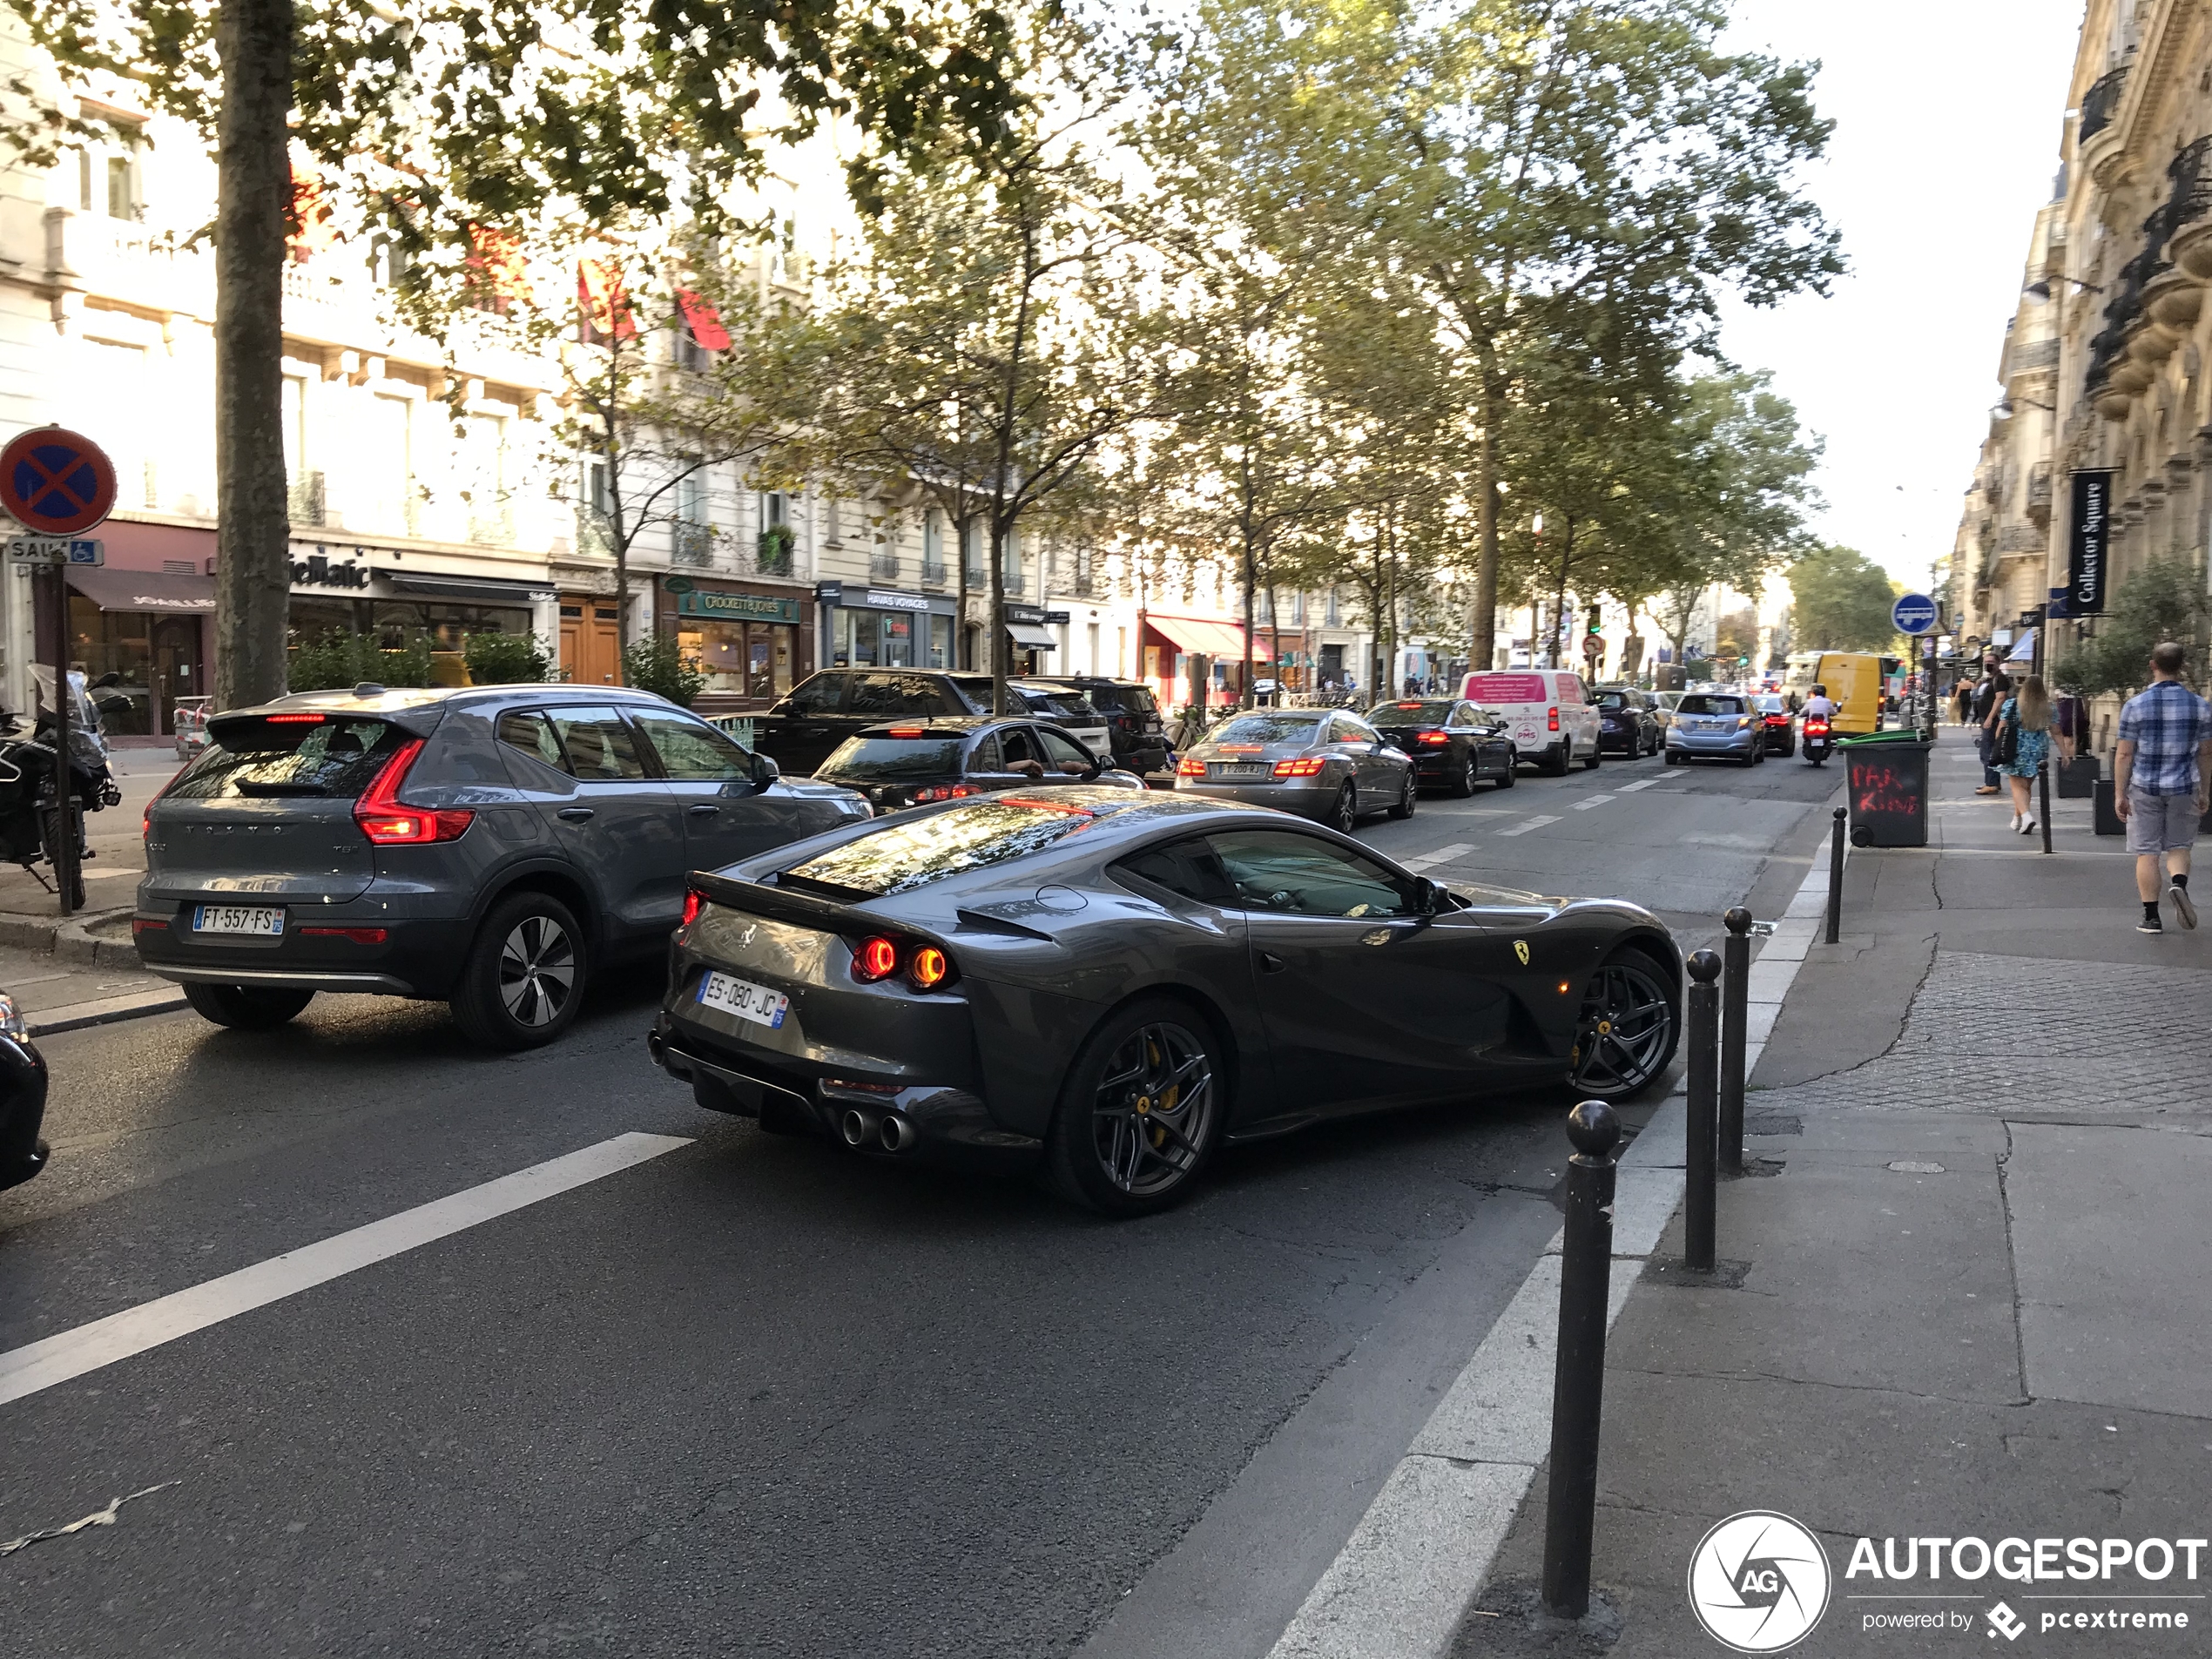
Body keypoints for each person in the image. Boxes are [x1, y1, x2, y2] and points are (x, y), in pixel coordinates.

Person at [2115, 641, 2212, 934]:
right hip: (2184, 785)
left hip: (2145, 787)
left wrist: (2120, 793)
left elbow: (2124, 753)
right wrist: (2205, 791)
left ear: (2152, 664)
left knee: (2147, 852)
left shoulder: (2134, 706)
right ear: (2182, 667)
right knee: (2179, 846)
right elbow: (2206, 752)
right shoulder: (2200, 705)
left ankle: (2151, 917)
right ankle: (2178, 884)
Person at [1993, 675, 2053, 834]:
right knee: (2025, 786)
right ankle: (2017, 818)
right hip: (2039, 748)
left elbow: (2002, 726)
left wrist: (1997, 745)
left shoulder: (2012, 704)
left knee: (2017, 786)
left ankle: (2026, 817)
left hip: (2016, 747)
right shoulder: (2048, 707)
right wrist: (2066, 753)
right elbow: (2057, 731)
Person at [1973, 669, 2010, 795]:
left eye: (1991, 661)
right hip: (1989, 720)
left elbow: (2000, 698)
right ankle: (1993, 781)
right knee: (1988, 751)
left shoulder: (1999, 678)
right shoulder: (1991, 679)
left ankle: (1991, 783)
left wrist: (1989, 718)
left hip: (1993, 721)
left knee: (1988, 752)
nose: (1988, 664)